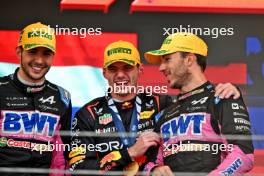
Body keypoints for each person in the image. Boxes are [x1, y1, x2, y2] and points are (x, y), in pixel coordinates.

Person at [68, 40, 241, 176]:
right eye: (113, 69)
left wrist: (226, 91)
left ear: (140, 69)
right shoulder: (88, 113)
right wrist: (129, 153)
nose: (120, 74)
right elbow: (78, 169)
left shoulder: (162, 104)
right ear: (105, 73)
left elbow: (184, 145)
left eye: (127, 67)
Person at [143, 32, 254, 175]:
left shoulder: (222, 96)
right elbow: (150, 164)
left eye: (167, 59)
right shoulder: (164, 113)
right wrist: (154, 170)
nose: (161, 68)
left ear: (189, 60)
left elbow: (243, 154)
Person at [0, 22, 72, 176]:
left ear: (53, 56)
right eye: (32, 51)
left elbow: (61, 154)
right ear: (19, 52)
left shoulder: (62, 97)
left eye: (46, 53)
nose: (39, 60)